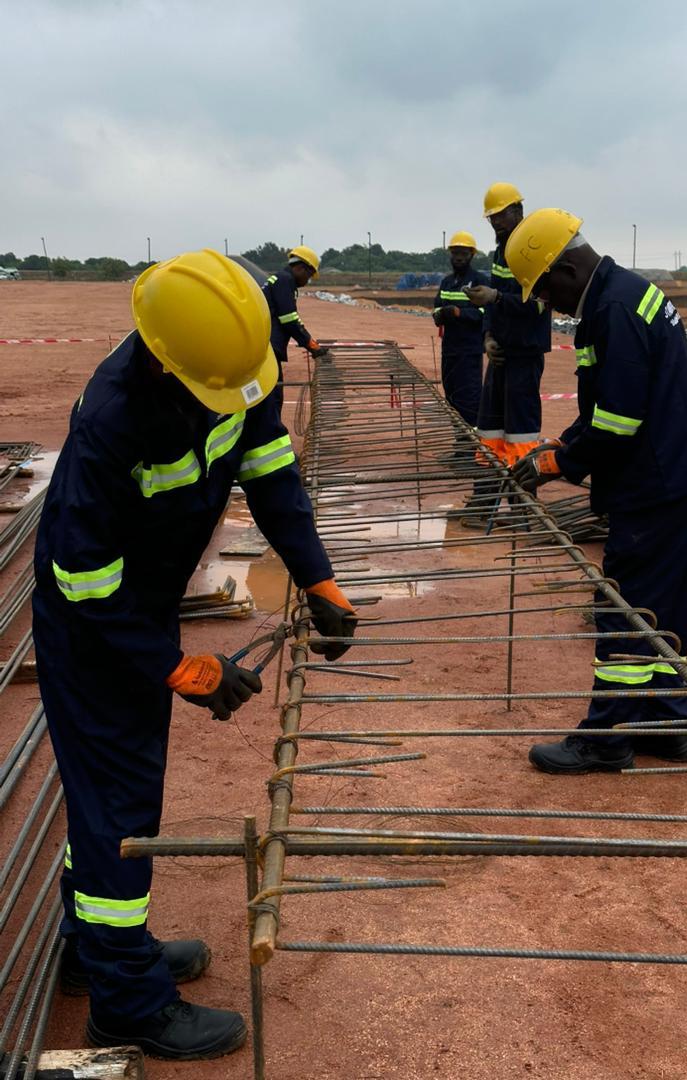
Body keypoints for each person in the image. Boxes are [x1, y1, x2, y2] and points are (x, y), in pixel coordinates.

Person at [32, 250, 356, 1059]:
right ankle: (127, 1004)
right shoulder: (114, 419)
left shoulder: (234, 362)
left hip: (144, 603)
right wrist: (180, 669)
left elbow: (270, 469)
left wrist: (318, 578)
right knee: (117, 808)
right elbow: (83, 579)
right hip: (93, 626)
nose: (235, 404)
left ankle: (95, 954)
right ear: (162, 363)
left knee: (110, 802)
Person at [507, 209, 687, 774]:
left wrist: (558, 463)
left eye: (544, 289)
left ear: (566, 268)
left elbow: (619, 422)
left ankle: (606, 738)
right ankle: (665, 724)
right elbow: (602, 408)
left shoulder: (613, 310)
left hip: (658, 481)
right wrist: (561, 443)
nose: (546, 303)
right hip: (678, 472)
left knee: (625, 605)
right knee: (663, 607)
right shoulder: (619, 295)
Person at [457, 182, 551, 525]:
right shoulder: (501, 250)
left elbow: (538, 305)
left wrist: (496, 298)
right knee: (490, 432)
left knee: (521, 434)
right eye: (491, 217)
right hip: (500, 354)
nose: (495, 222)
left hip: (524, 354)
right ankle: (484, 502)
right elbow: (493, 300)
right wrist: (487, 336)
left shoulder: (535, 248)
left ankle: (523, 507)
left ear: (518, 211)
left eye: (500, 215)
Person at [432, 231, 487, 453]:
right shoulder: (447, 282)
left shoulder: (480, 281)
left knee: (470, 399)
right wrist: (439, 314)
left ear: (471, 255)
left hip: (469, 351)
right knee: (452, 398)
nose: (459, 258)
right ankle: (461, 444)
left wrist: (459, 313)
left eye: (463, 254)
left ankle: (473, 449)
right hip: (450, 350)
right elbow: (436, 306)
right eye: (455, 253)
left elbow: (485, 312)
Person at [261, 245, 330, 409]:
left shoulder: (280, 279)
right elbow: (289, 319)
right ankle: (271, 426)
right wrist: (311, 345)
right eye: (309, 276)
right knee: (273, 397)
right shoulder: (285, 280)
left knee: (271, 395)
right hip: (268, 347)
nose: (307, 281)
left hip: (264, 345)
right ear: (300, 268)